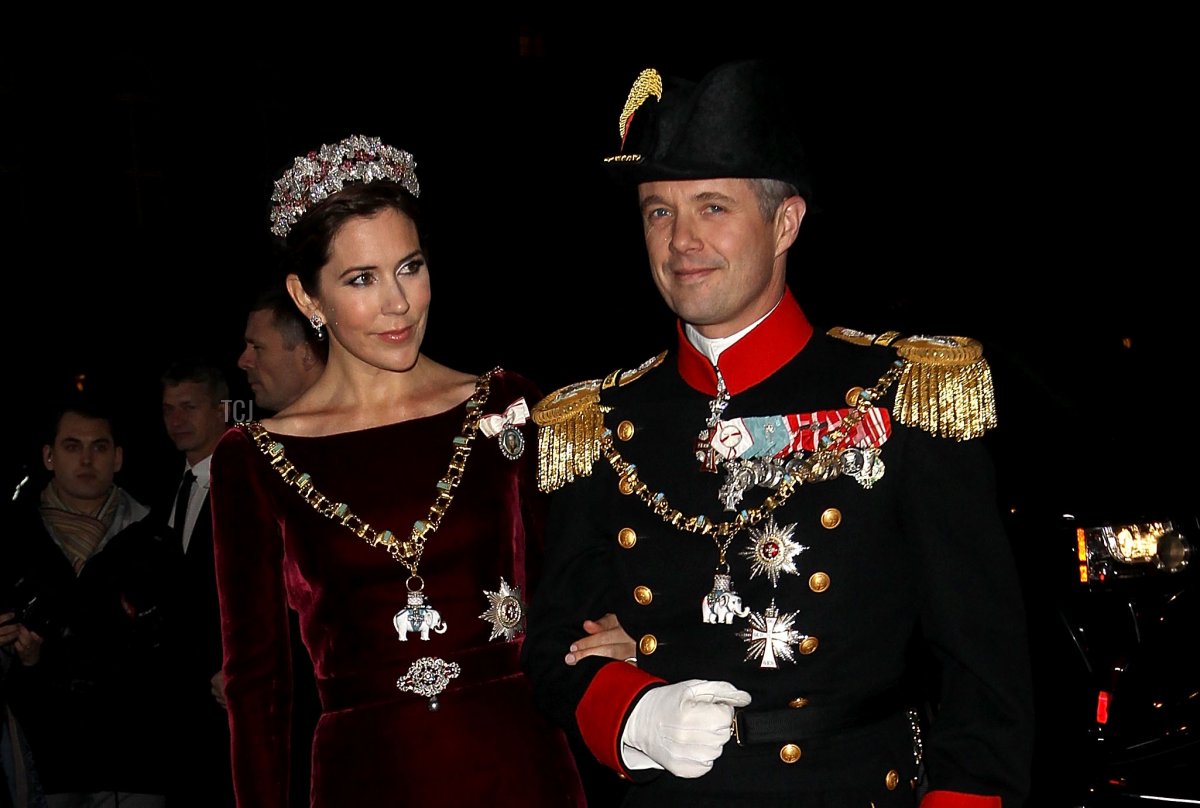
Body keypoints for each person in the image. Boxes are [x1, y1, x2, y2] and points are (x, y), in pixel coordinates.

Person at [520, 60, 1035, 807]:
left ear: (786, 222)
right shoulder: (600, 420)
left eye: (713, 208)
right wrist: (635, 711)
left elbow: (984, 671)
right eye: (658, 212)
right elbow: (553, 646)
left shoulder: (901, 393)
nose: (681, 240)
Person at [209, 135, 630, 808]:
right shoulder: (253, 460)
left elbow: (584, 583)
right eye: (361, 279)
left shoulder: (507, 405)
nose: (398, 303)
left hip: (522, 768)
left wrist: (627, 630)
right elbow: (256, 687)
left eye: (409, 267)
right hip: (363, 780)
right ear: (306, 297)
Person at [2, 396, 175, 807]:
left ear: (118, 457)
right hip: (41, 760)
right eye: (72, 446)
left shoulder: (155, 540)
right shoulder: (12, 538)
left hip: (136, 761)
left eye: (99, 447)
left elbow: (177, 648)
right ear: (48, 456)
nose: (86, 459)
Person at [158, 362, 235, 807]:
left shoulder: (244, 481)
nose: (177, 419)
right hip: (178, 701)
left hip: (227, 693)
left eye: (188, 407)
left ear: (221, 409)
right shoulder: (167, 487)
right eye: (169, 409)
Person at [237, 283, 327, 415]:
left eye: (257, 347)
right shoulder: (262, 428)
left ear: (308, 354)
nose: (242, 362)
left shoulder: (355, 425)